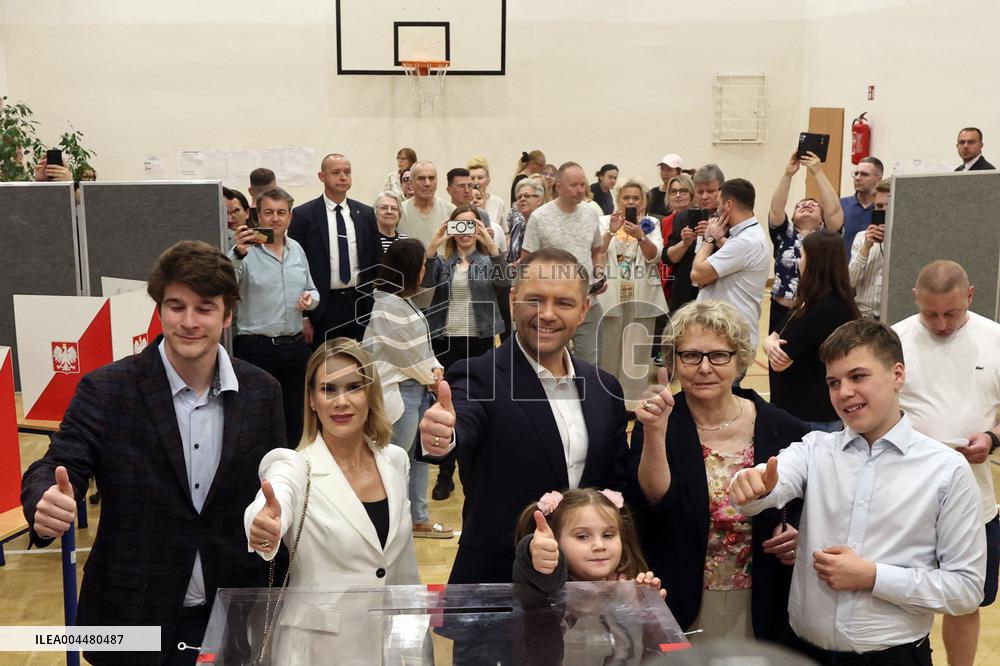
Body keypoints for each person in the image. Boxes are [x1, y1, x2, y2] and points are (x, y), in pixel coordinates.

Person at [22, 240, 285, 666]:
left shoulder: (262, 392)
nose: (189, 321)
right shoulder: (106, 389)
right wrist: (42, 498)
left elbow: (278, 484)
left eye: (204, 308)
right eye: (175, 306)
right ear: (159, 310)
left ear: (228, 314)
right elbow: (56, 463)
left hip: (231, 607)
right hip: (132, 610)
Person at [731, 319, 986, 665]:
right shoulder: (814, 449)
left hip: (892, 658)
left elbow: (966, 590)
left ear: (897, 375)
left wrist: (873, 577)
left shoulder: (946, 471)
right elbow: (771, 482)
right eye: (833, 382)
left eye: (858, 377)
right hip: (803, 651)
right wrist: (752, 487)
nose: (844, 392)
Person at [419, 248, 629, 584]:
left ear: (583, 310)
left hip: (587, 592)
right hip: (500, 585)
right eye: (534, 300)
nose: (546, 314)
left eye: (563, 303)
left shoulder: (604, 388)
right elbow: (463, 421)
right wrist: (444, 435)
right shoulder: (478, 376)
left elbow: (617, 487)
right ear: (513, 299)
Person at [629, 300, 808, 642]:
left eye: (718, 355)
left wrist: (798, 532)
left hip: (764, 596)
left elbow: (807, 502)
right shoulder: (658, 421)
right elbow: (655, 500)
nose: (704, 367)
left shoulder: (783, 428)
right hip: (683, 593)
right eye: (691, 355)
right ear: (675, 361)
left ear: (739, 358)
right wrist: (655, 432)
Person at [245, 338, 420, 663]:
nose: (342, 401)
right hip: (316, 652)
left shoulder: (395, 461)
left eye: (354, 387)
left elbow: (402, 571)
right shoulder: (295, 465)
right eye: (328, 389)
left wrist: (416, 647)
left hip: (389, 650)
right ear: (312, 399)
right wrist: (263, 524)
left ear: (370, 394)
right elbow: (276, 494)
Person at [893, 260, 1000, 666]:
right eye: (930, 313)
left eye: (951, 313)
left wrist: (992, 438)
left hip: (974, 497)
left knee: (965, 601)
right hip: (905, 496)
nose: (940, 324)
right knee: (899, 595)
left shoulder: (994, 338)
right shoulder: (894, 339)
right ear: (916, 299)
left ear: (970, 295)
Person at [362, 238, 453, 538]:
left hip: (416, 389)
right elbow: (404, 354)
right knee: (395, 461)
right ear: (410, 268)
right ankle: (392, 522)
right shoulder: (387, 305)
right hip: (401, 391)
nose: (425, 271)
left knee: (419, 458)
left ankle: (418, 518)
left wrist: (435, 367)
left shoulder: (403, 301)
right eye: (423, 266)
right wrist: (432, 375)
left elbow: (421, 347)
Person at [230, 187, 319, 447]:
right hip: (255, 349)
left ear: (290, 217)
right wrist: (237, 253)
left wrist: (309, 300)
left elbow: (312, 290)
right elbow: (224, 282)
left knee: (297, 418)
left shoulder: (297, 250)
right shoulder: (244, 251)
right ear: (258, 216)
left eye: (281, 213)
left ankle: (292, 473)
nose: (275, 218)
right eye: (268, 212)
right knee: (258, 419)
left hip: (293, 345)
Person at [764, 230, 859, 431]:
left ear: (817, 261)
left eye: (803, 255)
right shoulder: (809, 301)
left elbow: (781, 360)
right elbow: (773, 336)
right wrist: (770, 344)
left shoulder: (827, 308)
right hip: (800, 412)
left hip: (812, 415)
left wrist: (771, 345)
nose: (799, 262)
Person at [520, 162, 607, 366]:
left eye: (582, 184)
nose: (580, 190)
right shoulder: (540, 217)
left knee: (590, 364)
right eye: (574, 185)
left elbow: (597, 252)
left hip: (587, 302)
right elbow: (527, 261)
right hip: (551, 306)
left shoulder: (591, 214)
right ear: (558, 187)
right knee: (550, 362)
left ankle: (585, 397)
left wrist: (600, 273)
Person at [289, 153, 381, 344]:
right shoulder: (303, 215)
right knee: (326, 363)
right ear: (322, 176)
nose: (343, 177)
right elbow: (295, 267)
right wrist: (304, 316)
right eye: (336, 172)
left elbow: (376, 258)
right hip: (323, 304)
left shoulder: (364, 213)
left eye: (347, 172)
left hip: (359, 302)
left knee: (359, 362)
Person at [512, 488, 665, 600]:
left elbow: (651, 643)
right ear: (556, 542)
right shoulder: (547, 588)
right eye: (583, 536)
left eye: (608, 535)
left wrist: (649, 614)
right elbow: (534, 576)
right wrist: (534, 553)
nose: (599, 545)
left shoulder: (629, 589)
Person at [595, 177, 667, 409]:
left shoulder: (650, 224)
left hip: (642, 295)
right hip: (611, 293)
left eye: (636, 198)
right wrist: (610, 232)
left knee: (637, 353)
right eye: (626, 197)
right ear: (619, 200)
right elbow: (597, 252)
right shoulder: (604, 221)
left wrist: (640, 235)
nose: (631, 201)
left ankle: (633, 403)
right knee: (608, 350)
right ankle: (607, 401)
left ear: (644, 201)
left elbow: (654, 256)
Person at [767, 150, 845, 332]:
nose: (807, 205)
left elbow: (834, 210)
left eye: (813, 204)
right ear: (793, 217)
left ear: (822, 218)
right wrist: (788, 174)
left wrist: (818, 172)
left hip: (818, 312)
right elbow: (776, 208)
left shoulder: (828, 237)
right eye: (800, 205)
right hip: (782, 312)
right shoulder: (784, 234)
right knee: (777, 358)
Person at [423, 205, 507, 369]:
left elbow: (504, 282)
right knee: (448, 387)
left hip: (480, 337)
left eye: (470, 225)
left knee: (480, 387)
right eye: (458, 225)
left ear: (478, 228)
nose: (464, 231)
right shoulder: (442, 261)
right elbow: (425, 282)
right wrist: (434, 244)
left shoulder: (489, 261)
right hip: (444, 336)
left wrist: (490, 244)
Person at [692, 178, 769, 351]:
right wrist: (719, 240)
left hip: (729, 336)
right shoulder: (749, 234)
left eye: (719, 203)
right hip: (726, 332)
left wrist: (709, 238)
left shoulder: (746, 240)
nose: (717, 209)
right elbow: (736, 257)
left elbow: (697, 274)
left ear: (728, 205)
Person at [663, 164, 724, 313]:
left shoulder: (728, 219)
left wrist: (714, 238)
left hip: (717, 294)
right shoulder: (682, 218)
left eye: (710, 191)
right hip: (684, 293)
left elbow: (737, 254)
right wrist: (684, 244)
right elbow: (668, 258)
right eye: (700, 191)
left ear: (721, 191)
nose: (704, 196)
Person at [848, 179, 889, 319]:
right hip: (864, 315)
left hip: (893, 316)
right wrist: (866, 247)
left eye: (888, 206)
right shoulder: (861, 238)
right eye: (879, 206)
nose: (883, 210)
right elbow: (851, 282)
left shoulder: (907, 241)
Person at [400, 160, 456, 245]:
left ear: (437, 182)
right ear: (411, 183)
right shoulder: (399, 211)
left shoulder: (451, 211)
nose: (427, 183)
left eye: (431, 178)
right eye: (421, 178)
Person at [839, 156, 883, 255]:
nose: (858, 178)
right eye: (856, 174)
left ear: (879, 179)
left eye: (864, 174)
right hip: (846, 268)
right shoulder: (841, 205)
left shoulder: (884, 208)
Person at [506, 177, 545, 264]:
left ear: (539, 199)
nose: (522, 199)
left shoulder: (544, 225)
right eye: (519, 197)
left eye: (527, 196)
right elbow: (511, 254)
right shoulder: (517, 225)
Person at [468, 156, 509, 232]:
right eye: (472, 178)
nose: (476, 182)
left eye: (480, 178)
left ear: (488, 180)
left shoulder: (498, 203)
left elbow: (505, 234)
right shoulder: (464, 203)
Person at [373, 190, 406, 256]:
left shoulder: (405, 241)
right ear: (375, 213)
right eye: (384, 208)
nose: (389, 212)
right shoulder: (369, 240)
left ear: (399, 214)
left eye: (394, 208)